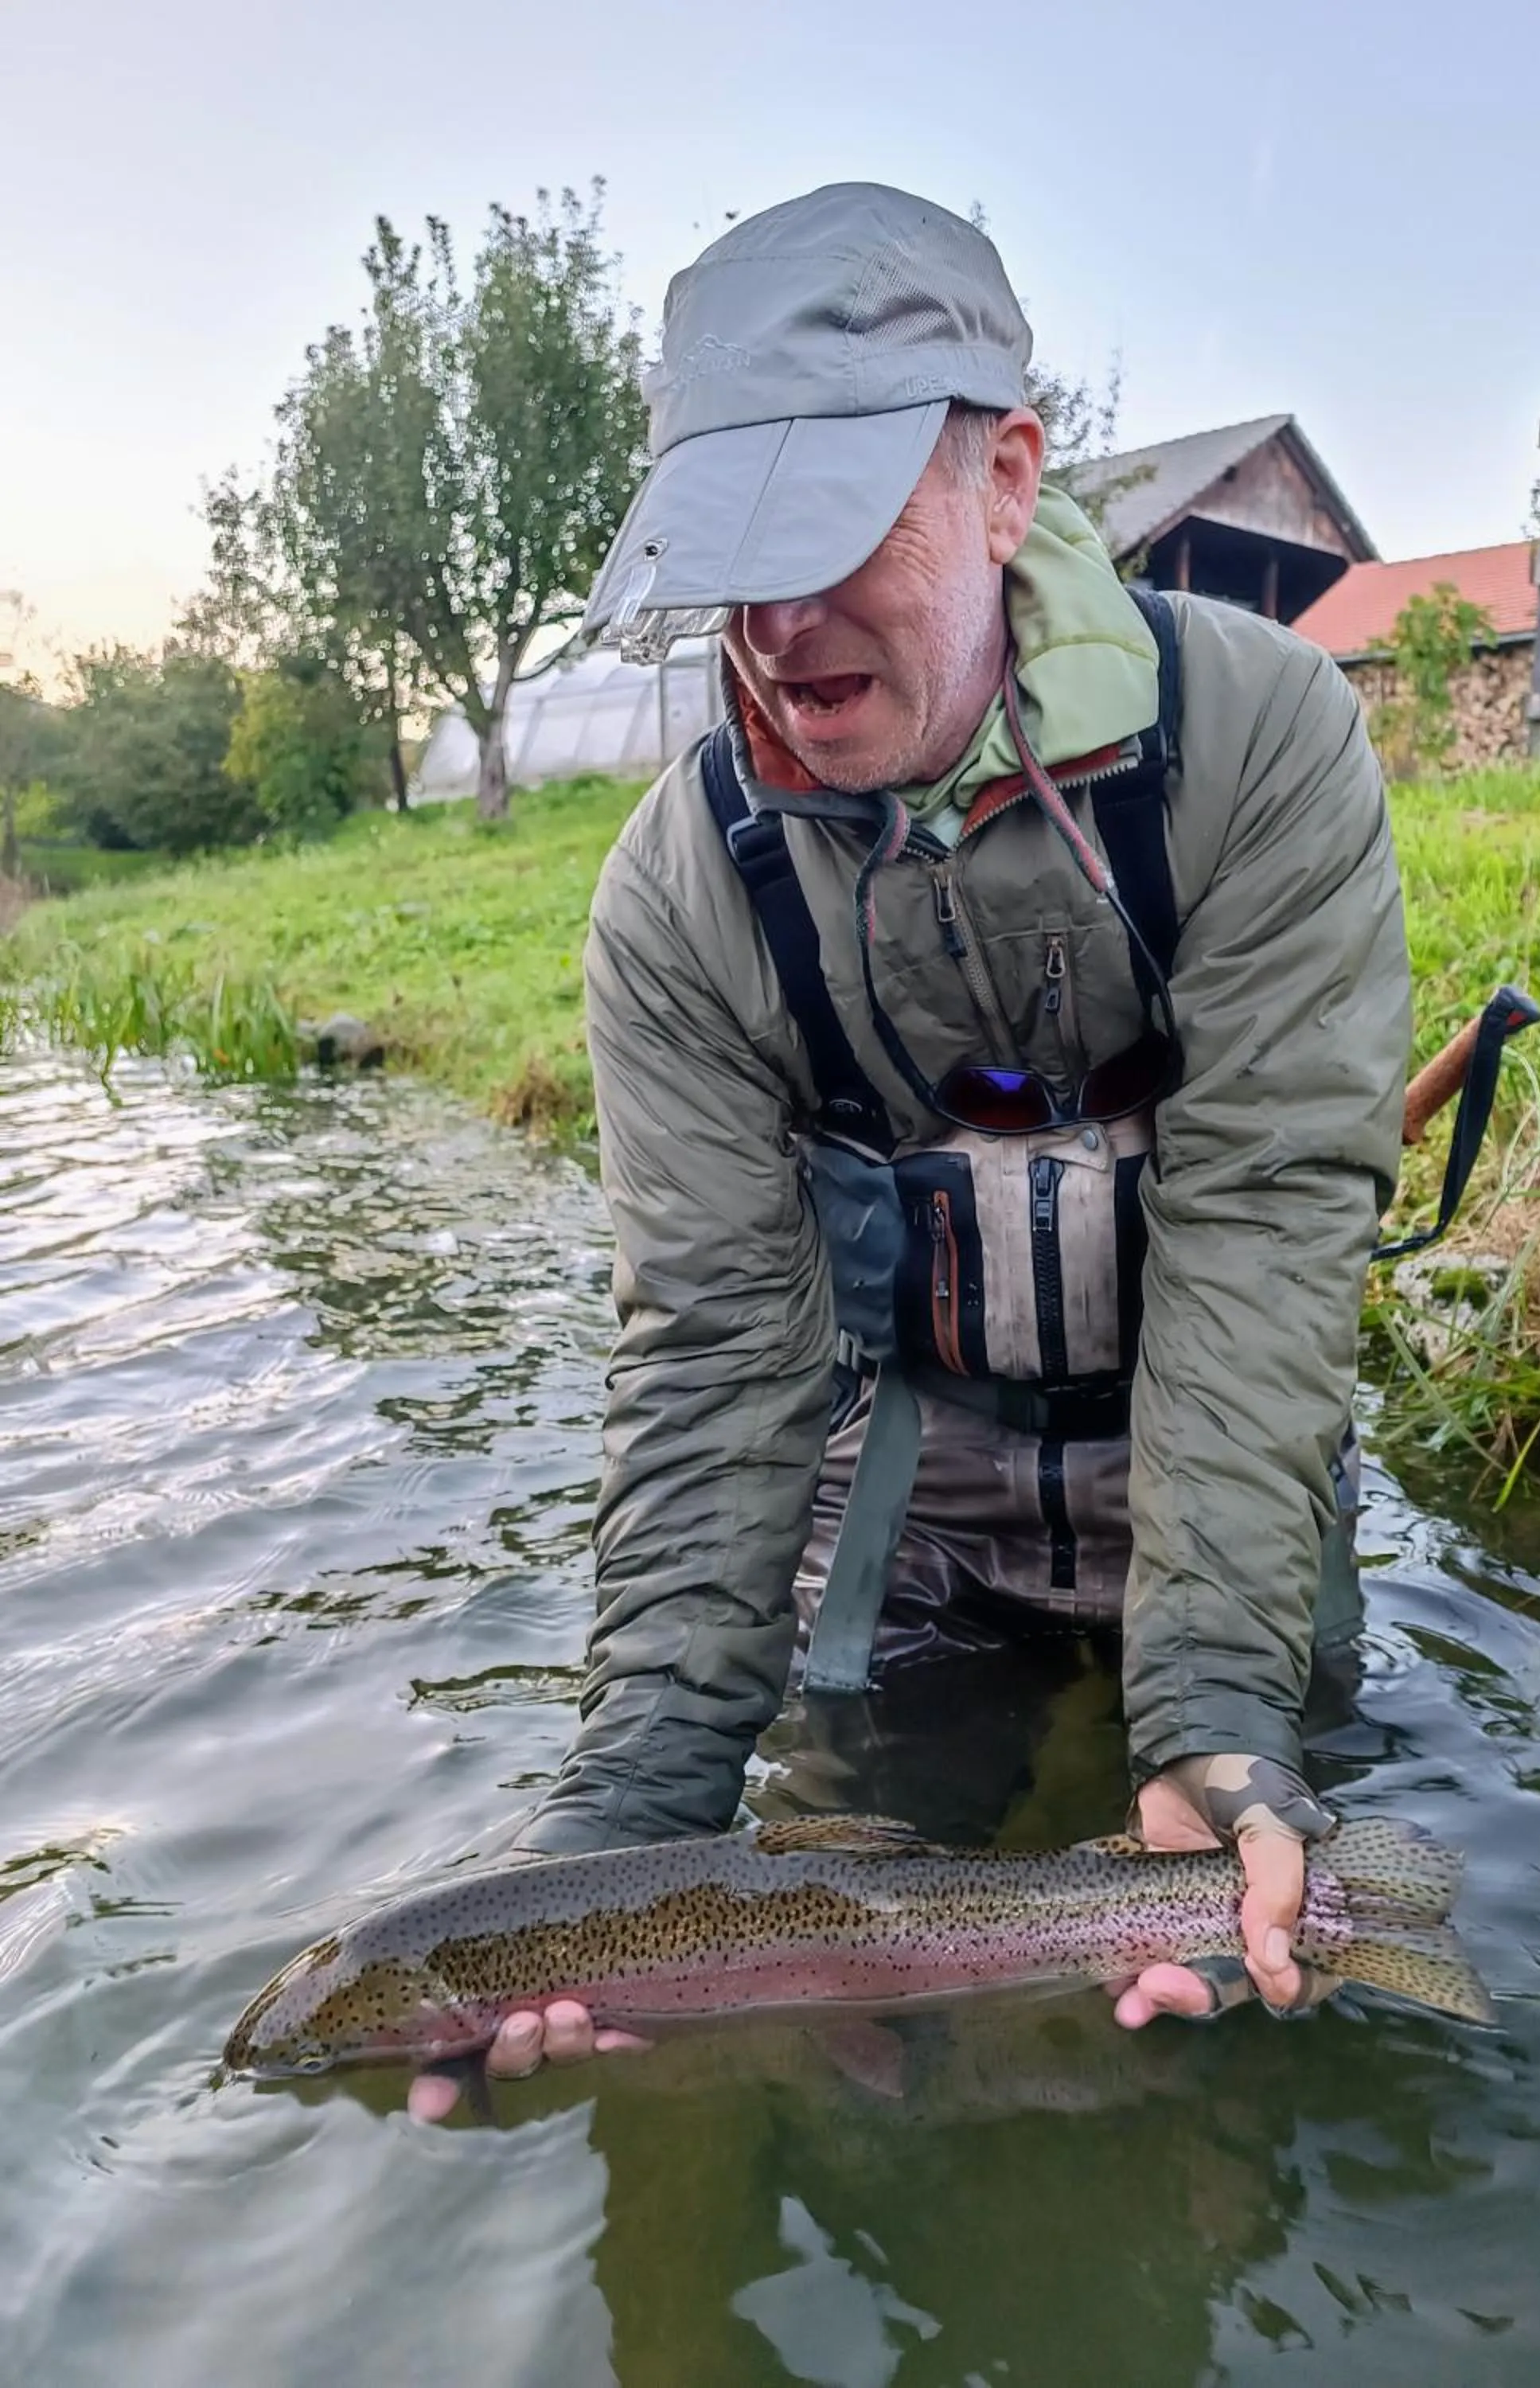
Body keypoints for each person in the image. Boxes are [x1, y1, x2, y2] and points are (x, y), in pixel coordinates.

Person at [408, 181, 1412, 2122]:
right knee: (868, 2081)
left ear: (1006, 482)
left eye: (831, 534)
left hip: (1221, 1479)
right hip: (915, 1523)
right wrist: (624, 1822)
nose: (777, 627)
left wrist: (1215, 1708)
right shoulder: (681, 896)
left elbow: (1269, 1239)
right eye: (732, 556)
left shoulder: (1259, 743)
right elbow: (714, 1358)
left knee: (1275, 1993)